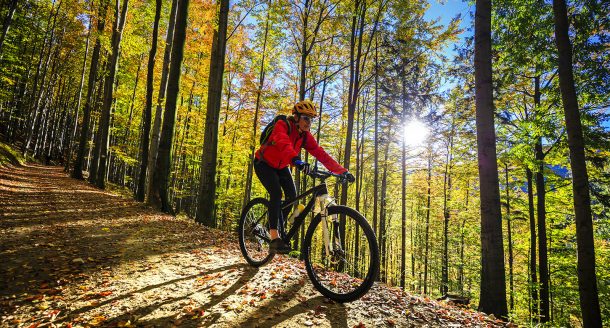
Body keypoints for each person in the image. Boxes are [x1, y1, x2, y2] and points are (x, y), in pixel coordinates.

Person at [253, 99, 355, 254]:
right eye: (306, 118)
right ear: (296, 117)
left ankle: (272, 226)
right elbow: (282, 142)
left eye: (311, 119)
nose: (309, 122)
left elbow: (321, 154)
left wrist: (342, 171)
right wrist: (296, 160)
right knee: (276, 193)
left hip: (281, 166)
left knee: (292, 197)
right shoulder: (283, 125)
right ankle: (274, 237)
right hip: (263, 163)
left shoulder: (305, 136)